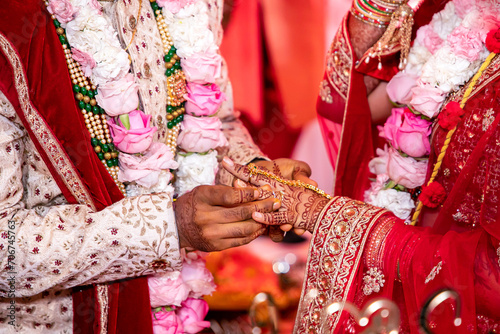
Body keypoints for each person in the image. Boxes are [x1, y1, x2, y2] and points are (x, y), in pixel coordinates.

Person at [0, 0, 315, 332]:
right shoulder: (12, 23)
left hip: (177, 310)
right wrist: (167, 226)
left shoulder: (194, 4)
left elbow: (210, 118)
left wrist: (254, 172)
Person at [222, 0, 500, 332]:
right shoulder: (467, 12)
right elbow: (346, 103)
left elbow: (491, 275)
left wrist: (326, 216)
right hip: (406, 299)